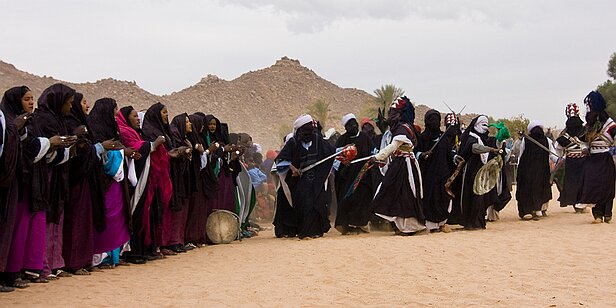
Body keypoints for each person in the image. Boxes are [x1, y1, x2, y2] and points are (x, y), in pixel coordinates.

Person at [31, 83, 78, 280]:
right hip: (46, 176)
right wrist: (56, 145)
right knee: (45, 220)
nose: (70, 108)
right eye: (68, 103)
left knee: (55, 219)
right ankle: (42, 265)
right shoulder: (43, 119)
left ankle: (54, 262)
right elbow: (41, 149)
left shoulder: (58, 119)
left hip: (58, 175)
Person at [0, 86, 45, 290]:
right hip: (9, 183)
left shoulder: (27, 123)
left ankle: (13, 272)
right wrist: (14, 130)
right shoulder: (9, 121)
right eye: (26, 99)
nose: (30, 102)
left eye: (32, 98)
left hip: (23, 183)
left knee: (18, 230)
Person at [61, 93, 107, 275]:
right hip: (76, 180)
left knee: (85, 220)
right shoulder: (71, 125)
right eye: (82, 102)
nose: (86, 105)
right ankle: (73, 261)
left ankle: (84, 259)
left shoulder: (85, 126)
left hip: (87, 180)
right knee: (75, 221)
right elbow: (77, 153)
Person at [88, 98, 134, 268]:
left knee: (117, 217)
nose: (117, 112)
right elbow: (97, 153)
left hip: (117, 182)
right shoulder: (95, 129)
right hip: (103, 181)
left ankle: (114, 256)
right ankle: (101, 257)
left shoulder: (112, 129)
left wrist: (122, 151)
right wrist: (118, 151)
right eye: (115, 109)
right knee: (105, 215)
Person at [371, 97, 425, 235]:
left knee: (406, 195)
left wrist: (378, 157)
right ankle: (402, 226)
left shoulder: (404, 128)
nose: (391, 115)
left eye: (395, 112)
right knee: (395, 193)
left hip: (405, 166)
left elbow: (393, 146)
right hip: (398, 164)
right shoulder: (398, 128)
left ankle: (411, 227)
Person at [117, 105, 165, 263]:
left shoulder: (136, 133)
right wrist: (153, 144)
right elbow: (136, 148)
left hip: (144, 180)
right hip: (134, 182)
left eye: (138, 116)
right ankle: (133, 252)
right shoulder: (124, 132)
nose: (138, 119)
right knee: (136, 213)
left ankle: (143, 250)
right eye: (134, 116)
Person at [276, 114, 335, 239]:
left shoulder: (318, 140)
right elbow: (281, 160)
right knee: (305, 205)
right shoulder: (293, 142)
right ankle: (305, 232)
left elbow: (331, 153)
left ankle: (316, 231)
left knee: (318, 203)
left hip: (316, 180)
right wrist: (293, 169)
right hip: (300, 182)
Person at [141, 102, 175, 255]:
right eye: (163, 112)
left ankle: (161, 244)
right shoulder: (150, 131)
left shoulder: (164, 131)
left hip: (165, 175)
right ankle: (154, 245)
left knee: (162, 210)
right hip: (154, 176)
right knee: (154, 210)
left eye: (167, 112)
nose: (167, 115)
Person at [456, 115, 500, 230]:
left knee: (481, 198)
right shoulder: (471, 137)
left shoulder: (485, 138)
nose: (485, 127)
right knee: (472, 197)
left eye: (486, 124)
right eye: (482, 124)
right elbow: (474, 148)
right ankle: (470, 222)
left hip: (482, 173)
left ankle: (479, 222)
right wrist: (489, 149)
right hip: (471, 172)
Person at [578, 91, 616, 223]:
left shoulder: (610, 124)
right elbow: (582, 140)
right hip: (592, 158)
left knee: (607, 185)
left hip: (606, 157)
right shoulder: (589, 125)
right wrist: (584, 148)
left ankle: (607, 213)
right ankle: (597, 214)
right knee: (593, 185)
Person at [334, 113, 375, 234]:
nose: (352, 127)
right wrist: (343, 160)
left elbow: (373, 151)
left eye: (354, 124)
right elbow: (336, 156)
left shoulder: (364, 137)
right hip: (346, 176)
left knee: (361, 199)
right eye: (349, 125)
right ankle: (344, 225)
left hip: (363, 175)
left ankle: (360, 225)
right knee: (346, 199)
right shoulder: (342, 139)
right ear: (345, 128)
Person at [415, 110, 454, 233]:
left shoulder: (444, 138)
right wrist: (422, 155)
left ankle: (441, 223)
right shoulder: (422, 138)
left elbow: (449, 154)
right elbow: (415, 152)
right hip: (427, 174)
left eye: (436, 119)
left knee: (442, 197)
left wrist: (455, 157)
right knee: (428, 198)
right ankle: (429, 224)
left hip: (442, 173)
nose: (434, 122)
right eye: (431, 120)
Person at [162, 113, 194, 253]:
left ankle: (179, 240)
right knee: (176, 210)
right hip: (174, 179)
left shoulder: (184, 139)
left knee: (182, 210)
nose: (190, 124)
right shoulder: (175, 138)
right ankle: (173, 241)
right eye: (187, 122)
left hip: (182, 179)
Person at [516, 121, 557, 220]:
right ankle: (538, 209)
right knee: (539, 187)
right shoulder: (547, 140)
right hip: (542, 171)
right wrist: (561, 160)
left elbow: (521, 155)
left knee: (527, 189)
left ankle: (527, 211)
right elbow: (553, 156)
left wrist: (519, 168)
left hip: (527, 170)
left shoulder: (526, 140)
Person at [554, 103, 587, 213]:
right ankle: (581, 202)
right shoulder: (585, 131)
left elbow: (557, 147)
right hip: (584, 160)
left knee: (571, 182)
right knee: (583, 181)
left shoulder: (564, 134)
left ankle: (576, 203)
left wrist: (561, 156)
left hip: (571, 161)